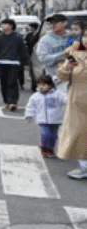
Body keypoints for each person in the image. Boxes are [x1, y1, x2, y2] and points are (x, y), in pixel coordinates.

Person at [56, 36, 87, 179]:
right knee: (78, 135)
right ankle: (83, 167)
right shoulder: (75, 55)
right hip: (77, 102)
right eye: (86, 36)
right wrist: (66, 68)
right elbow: (61, 76)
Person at [0, 18, 30, 111]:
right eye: (2, 24)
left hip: (14, 63)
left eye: (5, 24)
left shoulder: (18, 37)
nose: (3, 26)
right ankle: (6, 101)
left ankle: (13, 102)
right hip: (1, 62)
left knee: (12, 82)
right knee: (4, 82)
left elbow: (23, 50)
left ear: (11, 26)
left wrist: (26, 62)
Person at [25, 75, 66, 158]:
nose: (41, 87)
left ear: (50, 85)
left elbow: (66, 99)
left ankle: (50, 149)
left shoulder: (57, 94)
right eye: (39, 85)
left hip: (55, 120)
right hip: (42, 120)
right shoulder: (35, 96)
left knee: (53, 136)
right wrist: (29, 115)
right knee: (45, 134)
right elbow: (30, 106)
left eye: (44, 85)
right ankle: (44, 147)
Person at [37, 13, 69, 87]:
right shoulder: (45, 40)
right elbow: (43, 58)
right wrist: (61, 56)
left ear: (65, 23)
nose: (53, 25)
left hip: (74, 78)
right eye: (51, 23)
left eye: (56, 22)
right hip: (55, 78)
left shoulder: (73, 38)